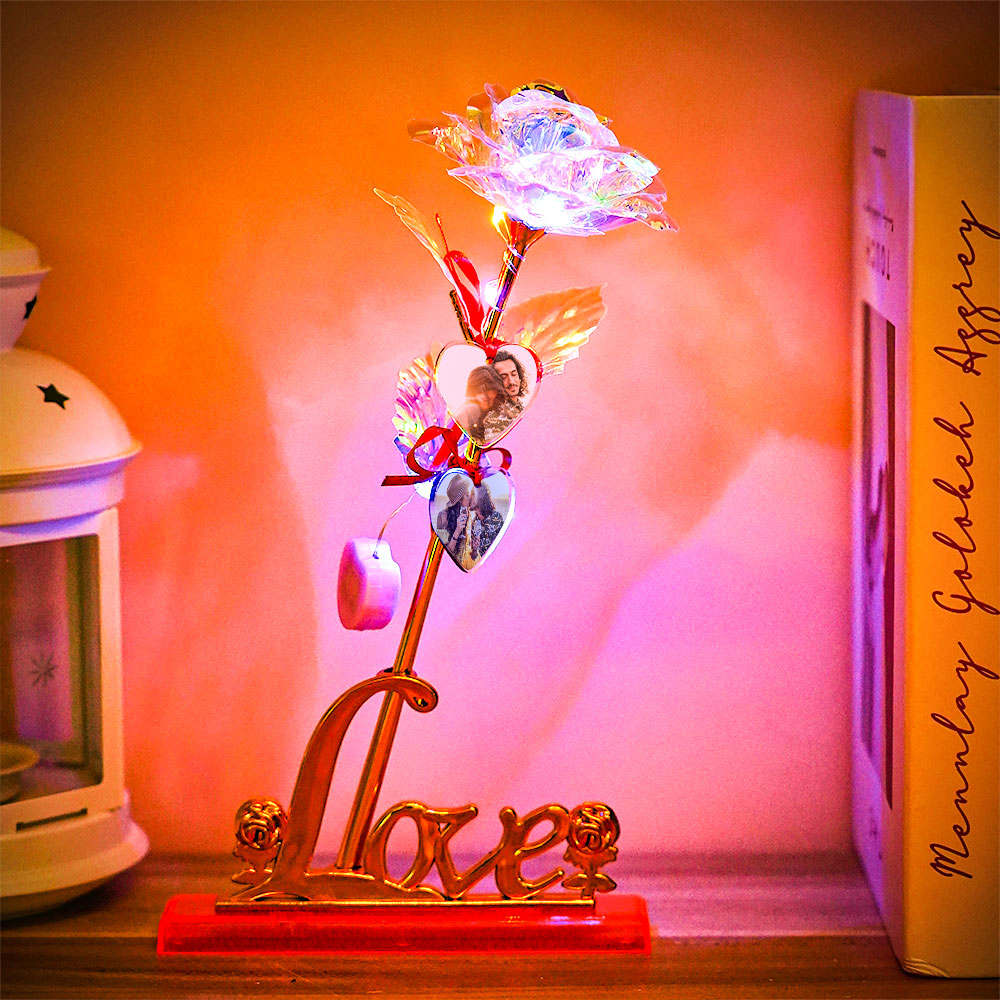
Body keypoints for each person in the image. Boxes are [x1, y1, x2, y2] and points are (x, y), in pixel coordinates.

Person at [483, 349, 529, 441]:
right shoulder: (493, 418)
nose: (511, 381)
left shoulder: (523, 408)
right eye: (503, 377)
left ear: (520, 377)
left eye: (514, 374)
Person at [452, 365, 505, 444]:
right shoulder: (468, 411)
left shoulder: (500, 414)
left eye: (489, 389)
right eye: (479, 390)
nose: (484, 395)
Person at [465, 481, 505, 568]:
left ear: (481, 497)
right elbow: (474, 557)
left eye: (473, 494)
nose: (470, 497)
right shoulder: (475, 523)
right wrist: (474, 550)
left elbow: (505, 548)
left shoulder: (496, 517)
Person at [436, 476, 474, 562]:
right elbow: (443, 554)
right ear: (459, 500)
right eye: (467, 495)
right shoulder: (443, 516)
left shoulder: (466, 514)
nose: (470, 498)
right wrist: (457, 531)